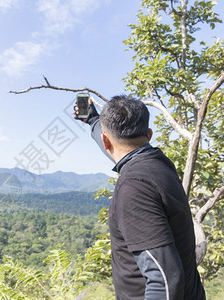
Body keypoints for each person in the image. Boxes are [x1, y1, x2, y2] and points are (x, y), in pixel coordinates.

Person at [75, 95, 205, 300]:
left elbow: (165, 279)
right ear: (149, 134)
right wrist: (92, 120)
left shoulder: (134, 187)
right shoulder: (159, 165)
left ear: (105, 140)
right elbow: (121, 149)